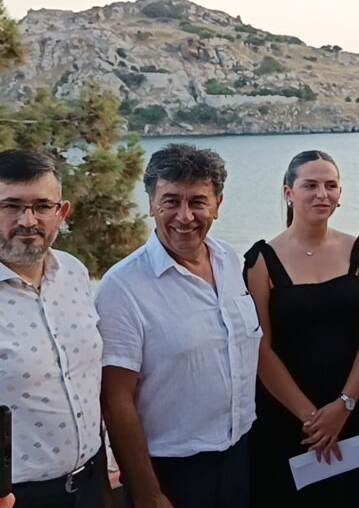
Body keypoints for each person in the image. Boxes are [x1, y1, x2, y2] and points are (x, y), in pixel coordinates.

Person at [97, 144, 259, 508]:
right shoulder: (122, 287)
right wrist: (148, 493)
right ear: (151, 204)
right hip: (172, 471)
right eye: (171, 201)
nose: (184, 217)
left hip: (241, 456)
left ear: (217, 205)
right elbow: (116, 401)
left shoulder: (228, 260)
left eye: (198, 202)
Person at [242, 151, 359, 506]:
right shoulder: (261, 261)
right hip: (288, 414)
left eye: (330, 185)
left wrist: (344, 405)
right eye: (310, 185)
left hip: (354, 406)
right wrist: (312, 418)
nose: (322, 194)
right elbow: (261, 347)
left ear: (340, 194)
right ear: (289, 193)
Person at [0, 149, 109, 508]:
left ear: (62, 213)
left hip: (89, 484)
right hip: (17, 497)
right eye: (11, 206)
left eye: (42, 206)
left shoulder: (74, 272)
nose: (27, 221)